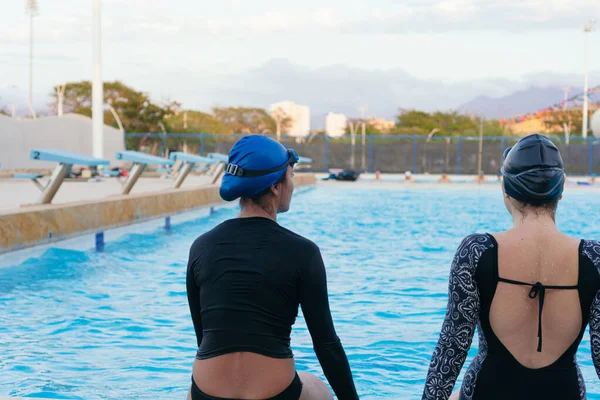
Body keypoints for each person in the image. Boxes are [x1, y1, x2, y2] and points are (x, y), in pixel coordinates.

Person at [422, 134, 600, 400]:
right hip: (564, 392)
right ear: (560, 192)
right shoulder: (593, 257)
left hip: (488, 391)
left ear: (506, 191)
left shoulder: (476, 251)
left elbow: (452, 347)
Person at [186, 135, 359, 400]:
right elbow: (326, 344)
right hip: (276, 394)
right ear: (276, 187)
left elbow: (204, 338)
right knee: (318, 388)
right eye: (291, 176)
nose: (293, 184)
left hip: (205, 393)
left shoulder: (200, 247)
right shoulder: (304, 252)